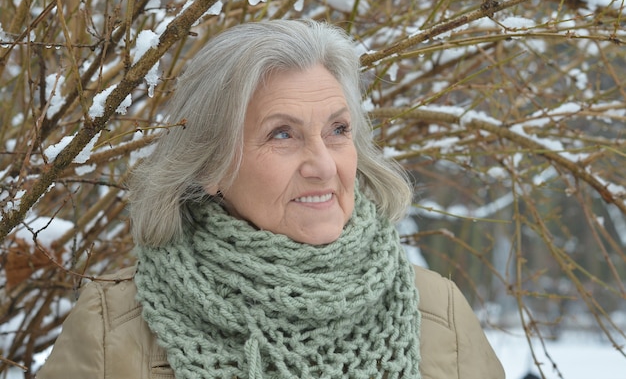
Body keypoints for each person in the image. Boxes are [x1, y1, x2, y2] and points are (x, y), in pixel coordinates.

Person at [36, 20, 504, 379]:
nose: (323, 165)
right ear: (212, 166)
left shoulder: (439, 312)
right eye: (283, 134)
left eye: (338, 131)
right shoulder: (111, 328)